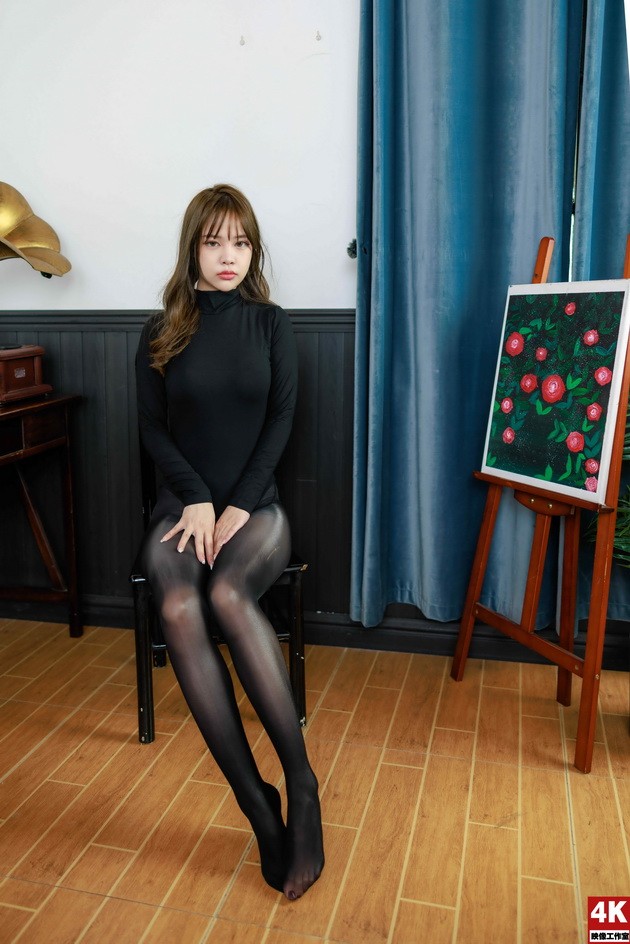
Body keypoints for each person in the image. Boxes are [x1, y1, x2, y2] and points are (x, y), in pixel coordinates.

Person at [135, 184, 324, 900]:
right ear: (193, 248)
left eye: (240, 243)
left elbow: (281, 420)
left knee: (226, 594)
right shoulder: (160, 331)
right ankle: (256, 803)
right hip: (180, 510)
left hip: (257, 512)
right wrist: (196, 498)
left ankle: (300, 785)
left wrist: (239, 502)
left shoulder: (271, 324)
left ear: (253, 251)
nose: (227, 256)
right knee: (178, 607)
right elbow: (152, 429)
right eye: (214, 241)